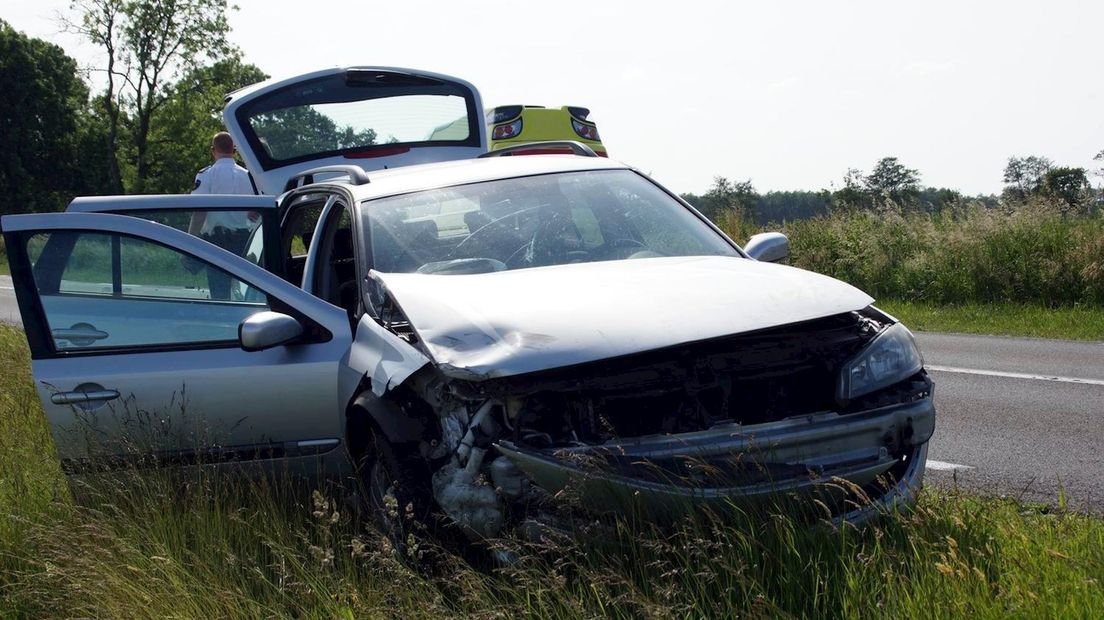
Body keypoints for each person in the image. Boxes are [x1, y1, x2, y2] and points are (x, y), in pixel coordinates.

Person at [187, 132, 261, 299]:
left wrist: (190, 241)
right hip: (245, 241)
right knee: (244, 293)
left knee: (220, 295)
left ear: (213, 150)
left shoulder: (206, 175)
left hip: (217, 243)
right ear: (234, 151)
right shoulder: (249, 176)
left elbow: (199, 212)